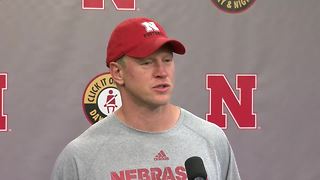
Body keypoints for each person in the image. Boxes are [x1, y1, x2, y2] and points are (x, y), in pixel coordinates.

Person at [51, 17, 241, 180]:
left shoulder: (211, 139)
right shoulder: (81, 156)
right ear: (117, 72)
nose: (161, 72)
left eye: (167, 60)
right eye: (147, 62)